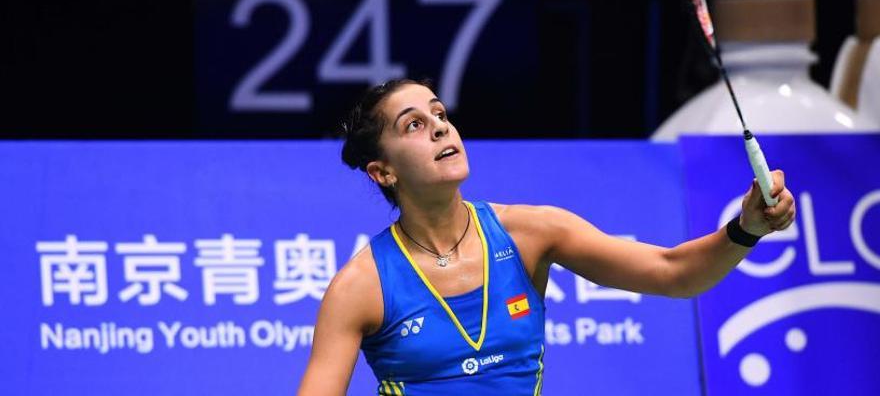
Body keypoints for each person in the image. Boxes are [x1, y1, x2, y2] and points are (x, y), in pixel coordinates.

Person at [296, 79, 796, 396]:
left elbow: (672, 272)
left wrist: (745, 227)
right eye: (414, 125)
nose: (441, 130)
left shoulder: (532, 233)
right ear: (382, 173)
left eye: (441, 115)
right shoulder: (362, 286)